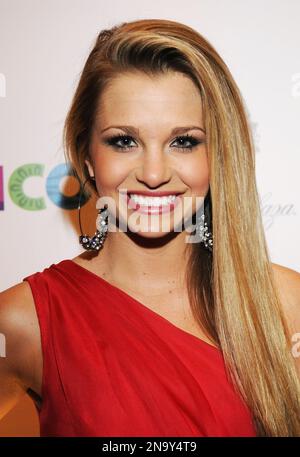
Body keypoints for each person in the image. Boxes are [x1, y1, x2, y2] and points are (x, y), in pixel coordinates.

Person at [0, 18, 300, 437]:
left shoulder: (284, 306)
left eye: (184, 141)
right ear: (87, 155)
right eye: (124, 140)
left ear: (218, 154)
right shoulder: (22, 321)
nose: (154, 173)